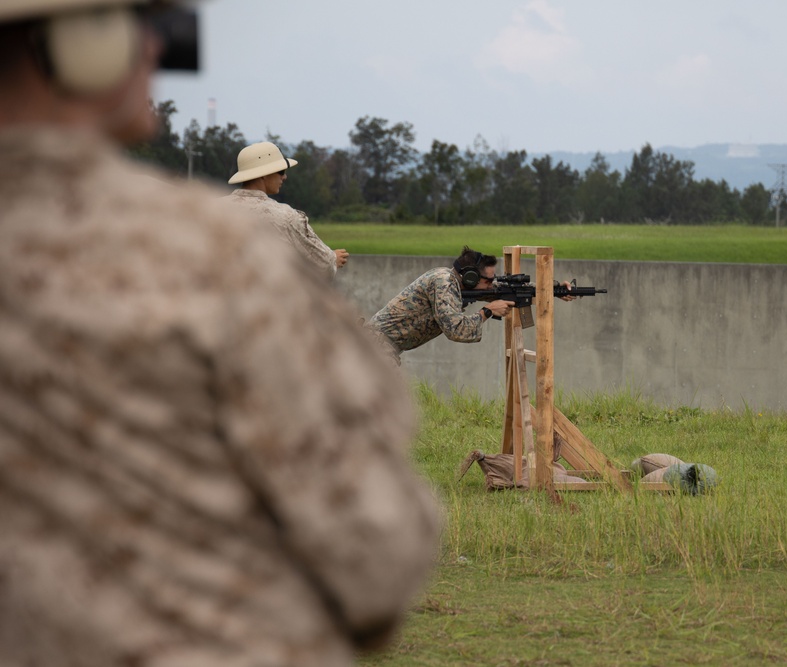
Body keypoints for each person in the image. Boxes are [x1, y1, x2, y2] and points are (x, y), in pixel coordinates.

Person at [0, 2, 440, 666]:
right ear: (78, 45)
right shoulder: (208, 253)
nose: (155, 48)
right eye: (136, 27)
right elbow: (376, 548)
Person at [367, 246, 575, 363]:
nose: (491, 285)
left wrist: (553, 289)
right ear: (469, 278)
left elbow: (506, 289)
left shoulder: (457, 284)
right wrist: (487, 312)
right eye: (487, 280)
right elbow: (456, 330)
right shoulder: (443, 283)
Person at [226, 140, 349, 281]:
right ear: (263, 174)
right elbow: (323, 265)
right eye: (281, 171)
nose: (284, 176)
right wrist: (334, 259)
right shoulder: (286, 216)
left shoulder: (211, 209)